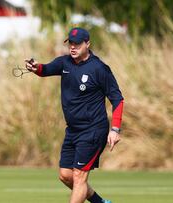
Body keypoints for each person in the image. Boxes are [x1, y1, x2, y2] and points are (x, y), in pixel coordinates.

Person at [25, 27, 123, 203]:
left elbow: (117, 99)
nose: (73, 47)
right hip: (73, 131)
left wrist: (115, 129)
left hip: (93, 130)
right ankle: (100, 202)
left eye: (77, 44)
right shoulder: (65, 63)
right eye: (70, 43)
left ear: (88, 44)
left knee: (79, 176)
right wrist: (35, 67)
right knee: (65, 175)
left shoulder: (99, 68)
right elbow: (45, 69)